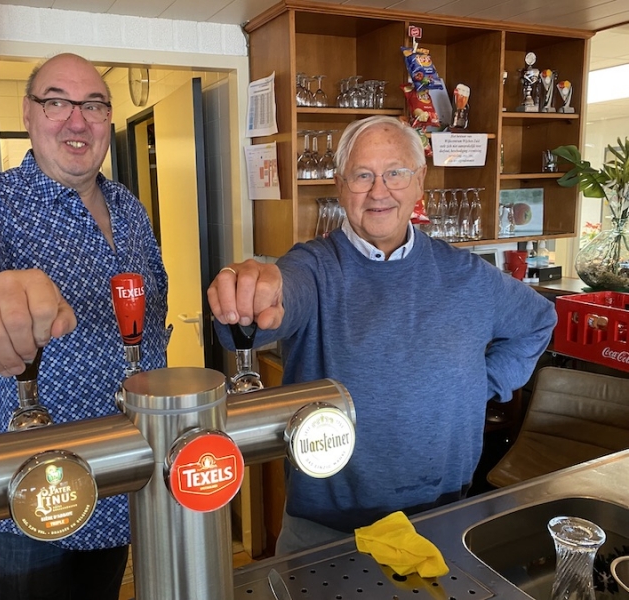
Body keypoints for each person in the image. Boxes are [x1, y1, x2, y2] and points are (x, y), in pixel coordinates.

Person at [208, 115, 556, 555]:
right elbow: (267, 308)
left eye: (395, 173)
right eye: (362, 176)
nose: (379, 191)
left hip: (442, 522)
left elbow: (538, 321)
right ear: (340, 185)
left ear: (419, 181)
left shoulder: (469, 275)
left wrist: (479, 384)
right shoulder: (313, 268)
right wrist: (252, 296)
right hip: (326, 535)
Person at [0, 53, 169, 600]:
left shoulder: (129, 208)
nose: (77, 120)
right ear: (28, 114)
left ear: (108, 119)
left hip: (121, 474)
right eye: (57, 102)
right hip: (32, 489)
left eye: (93, 105)